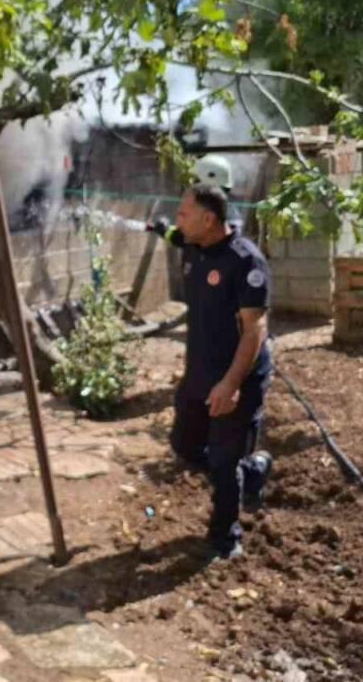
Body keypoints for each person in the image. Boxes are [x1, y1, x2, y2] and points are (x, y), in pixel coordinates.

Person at [154, 185, 274, 560]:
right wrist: (158, 228)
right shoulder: (193, 245)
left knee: (223, 462)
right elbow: (175, 236)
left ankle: (226, 538)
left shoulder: (245, 262)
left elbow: (255, 329)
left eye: (184, 214)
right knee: (184, 446)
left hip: (237, 377)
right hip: (199, 373)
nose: (179, 220)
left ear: (209, 220)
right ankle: (250, 470)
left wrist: (231, 383)